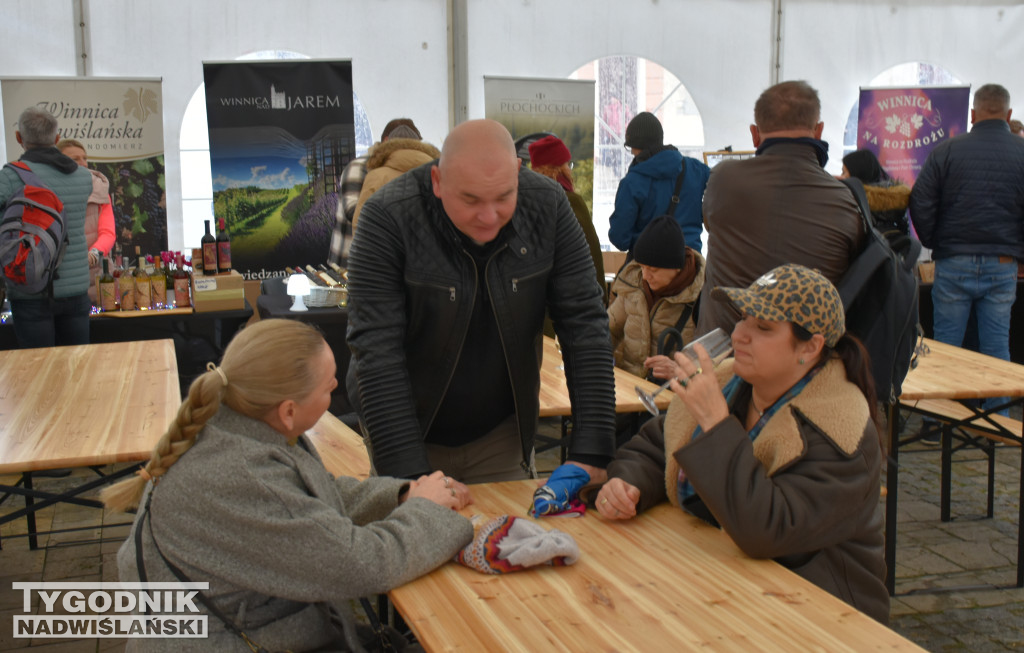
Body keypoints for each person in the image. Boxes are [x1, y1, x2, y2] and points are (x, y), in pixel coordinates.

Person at [103, 319, 474, 652]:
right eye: (329, 387)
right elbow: (361, 567)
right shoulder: (241, 474)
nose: (334, 394)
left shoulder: (236, 424)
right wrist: (426, 510)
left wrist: (400, 496)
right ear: (289, 410)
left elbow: (311, 497)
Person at [594, 264, 889, 624]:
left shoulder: (839, 429)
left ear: (810, 347)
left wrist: (716, 425)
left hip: (821, 615)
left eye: (763, 327)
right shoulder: (730, 380)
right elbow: (657, 446)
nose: (739, 334)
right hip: (725, 589)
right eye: (744, 318)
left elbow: (768, 530)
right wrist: (628, 483)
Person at [346, 119, 616, 484]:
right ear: (438, 181)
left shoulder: (549, 207)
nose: (489, 216)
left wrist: (592, 450)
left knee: (513, 536)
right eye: (470, 199)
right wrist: (407, 474)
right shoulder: (387, 216)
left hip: (499, 431)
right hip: (405, 425)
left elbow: (585, 324)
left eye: (504, 196)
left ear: (518, 173)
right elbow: (376, 350)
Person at [697, 81, 863, 337]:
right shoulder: (845, 199)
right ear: (819, 131)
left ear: (754, 134)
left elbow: (710, 223)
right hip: (805, 362)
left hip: (721, 354)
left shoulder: (723, 178)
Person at [910, 83, 1024, 412]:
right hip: (1003, 262)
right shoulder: (1021, 153)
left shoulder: (947, 151)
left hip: (953, 259)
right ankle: (996, 420)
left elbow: (921, 199)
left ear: (973, 114)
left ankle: (938, 421)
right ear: (1009, 114)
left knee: (946, 346)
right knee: (996, 346)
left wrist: (935, 240)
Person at [0, 107, 92, 348]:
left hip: (30, 287)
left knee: (38, 370)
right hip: (76, 288)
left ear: (19, 138)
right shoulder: (84, 178)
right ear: (57, 138)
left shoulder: (9, 177)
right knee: (77, 368)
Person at [608, 214, 705, 379]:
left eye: (653, 270)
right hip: (630, 388)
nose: (645, 276)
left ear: (677, 267)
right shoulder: (633, 287)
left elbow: (714, 361)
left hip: (672, 396)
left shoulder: (702, 297)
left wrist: (681, 371)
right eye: (642, 267)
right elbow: (607, 330)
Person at [608, 111, 710, 256]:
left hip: (649, 268)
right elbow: (723, 192)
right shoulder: (697, 169)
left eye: (631, 147)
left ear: (637, 147)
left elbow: (619, 238)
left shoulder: (632, 183)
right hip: (690, 264)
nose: (631, 152)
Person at [329, 118, 422, 267]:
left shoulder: (408, 168)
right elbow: (352, 210)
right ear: (387, 141)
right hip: (349, 259)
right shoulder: (359, 167)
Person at [527, 134, 605, 300]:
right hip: (569, 296)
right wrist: (599, 296)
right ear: (560, 168)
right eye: (568, 164)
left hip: (534, 298)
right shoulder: (570, 201)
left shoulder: (526, 202)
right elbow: (591, 251)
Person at [57, 138, 116, 303]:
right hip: (63, 279)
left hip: (98, 278)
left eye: (84, 158)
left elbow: (108, 233)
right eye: (75, 159)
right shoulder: (49, 190)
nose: (83, 163)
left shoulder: (99, 189)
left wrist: (92, 256)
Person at [352, 124, 439, 230]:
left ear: (388, 146)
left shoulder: (377, 176)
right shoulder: (436, 175)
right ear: (420, 147)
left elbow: (361, 224)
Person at [839, 148, 910, 236]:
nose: (841, 176)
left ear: (857, 175)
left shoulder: (857, 206)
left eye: (844, 172)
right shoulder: (895, 203)